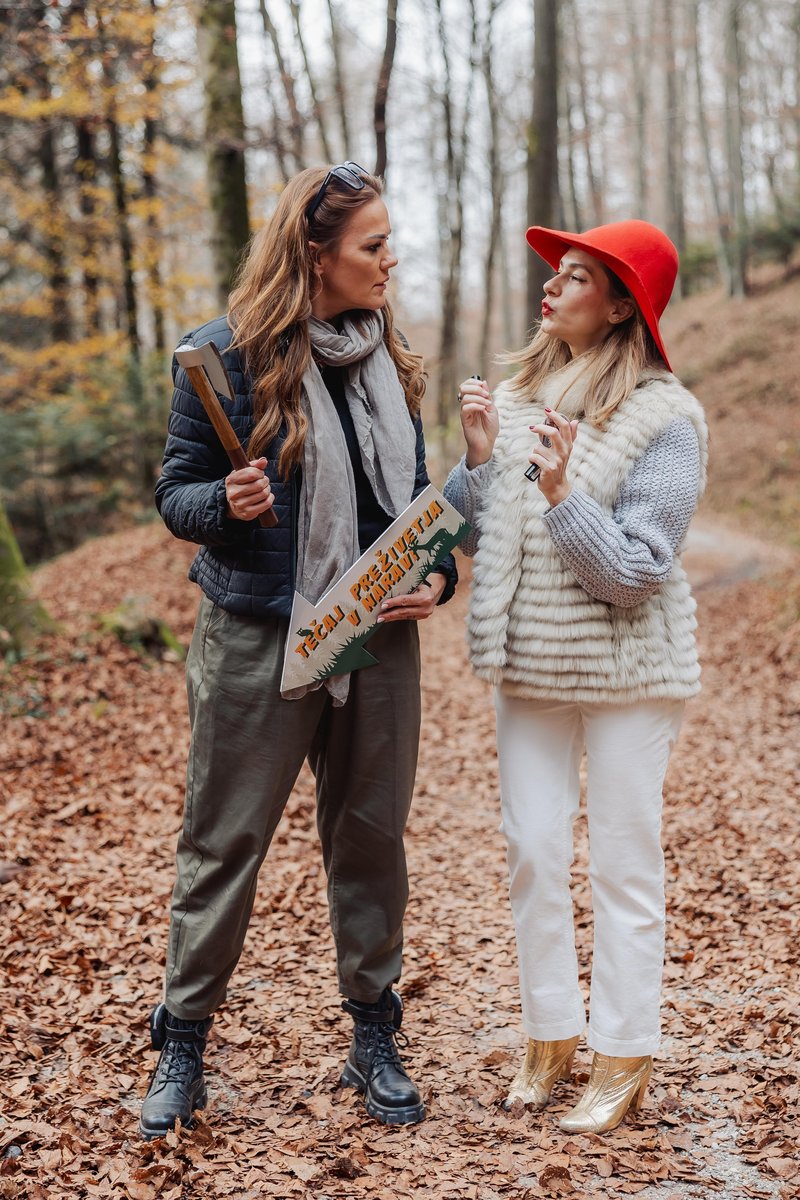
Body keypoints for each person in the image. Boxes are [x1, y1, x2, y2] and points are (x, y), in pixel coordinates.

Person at [140, 162, 457, 1139]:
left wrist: (436, 578)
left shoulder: (383, 351)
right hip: (254, 637)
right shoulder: (220, 356)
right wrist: (223, 510)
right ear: (314, 253)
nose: (388, 259)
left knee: (368, 836)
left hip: (374, 641)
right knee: (224, 838)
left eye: (388, 240)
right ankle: (183, 1035)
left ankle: (373, 1029)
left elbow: (416, 503)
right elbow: (175, 494)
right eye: (371, 245)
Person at [444, 220, 707, 1134]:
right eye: (555, 274)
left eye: (579, 277)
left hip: (629, 671)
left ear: (624, 303)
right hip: (530, 666)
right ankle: (551, 1032)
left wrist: (562, 492)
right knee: (531, 851)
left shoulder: (667, 417)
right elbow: (483, 538)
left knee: (624, 866)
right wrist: (480, 458)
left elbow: (635, 571)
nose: (552, 289)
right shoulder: (518, 399)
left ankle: (624, 1052)